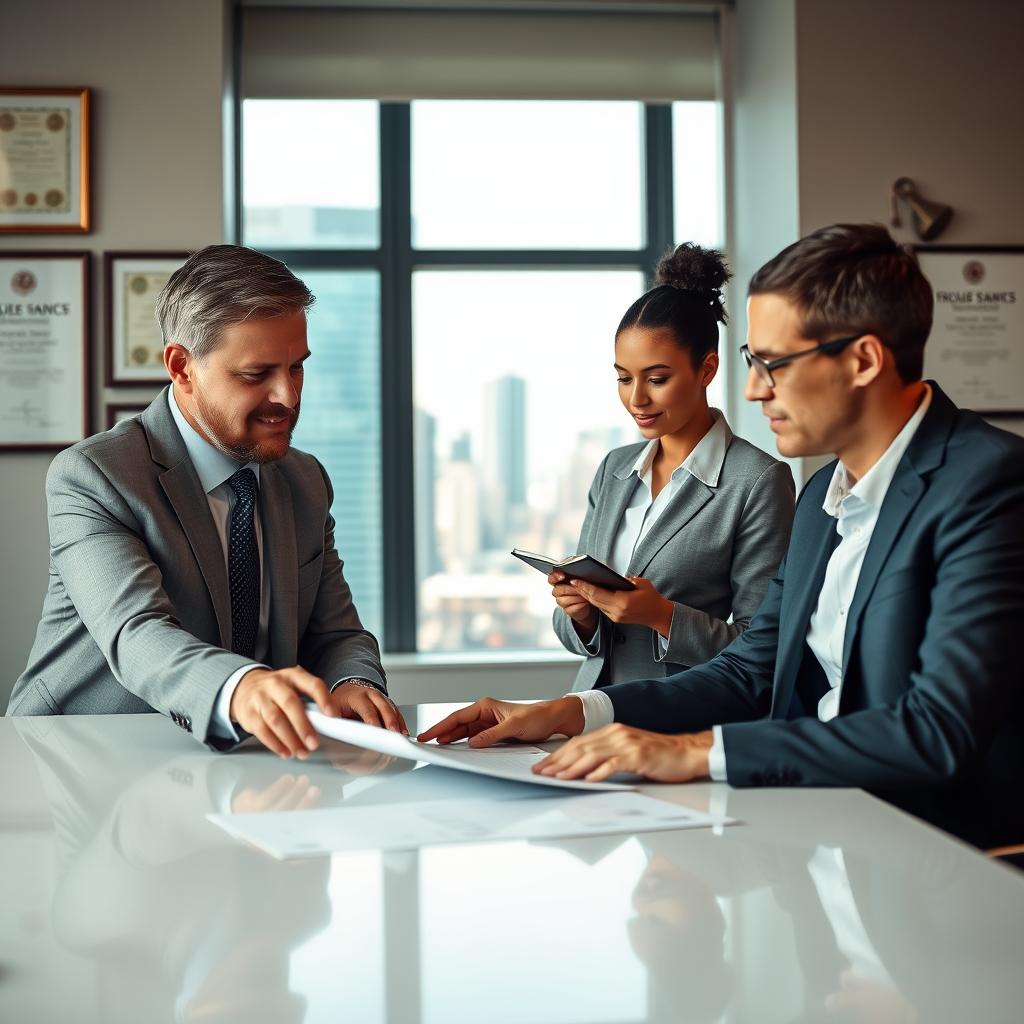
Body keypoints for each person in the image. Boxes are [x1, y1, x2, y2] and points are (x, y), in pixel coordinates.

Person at [420, 224, 1024, 847]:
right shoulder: (823, 496)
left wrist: (700, 752)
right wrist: (571, 713)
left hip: (929, 855)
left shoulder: (989, 483)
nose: (754, 388)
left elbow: (937, 731)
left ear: (864, 360)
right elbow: (748, 669)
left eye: (774, 365)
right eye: (750, 363)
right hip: (809, 832)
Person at [7, 244, 406, 757]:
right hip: (80, 761)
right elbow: (137, 632)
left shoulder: (305, 480)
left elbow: (336, 632)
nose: (288, 396)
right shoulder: (96, 475)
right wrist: (240, 686)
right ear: (181, 367)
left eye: (297, 368)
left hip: (250, 770)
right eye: (256, 374)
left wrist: (353, 683)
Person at [551, 243, 794, 691]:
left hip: (685, 721)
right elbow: (577, 638)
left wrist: (662, 616)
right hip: (592, 714)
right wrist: (580, 614)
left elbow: (765, 646)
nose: (636, 399)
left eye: (656, 379)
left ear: (706, 369)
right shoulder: (614, 469)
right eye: (624, 378)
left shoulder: (757, 480)